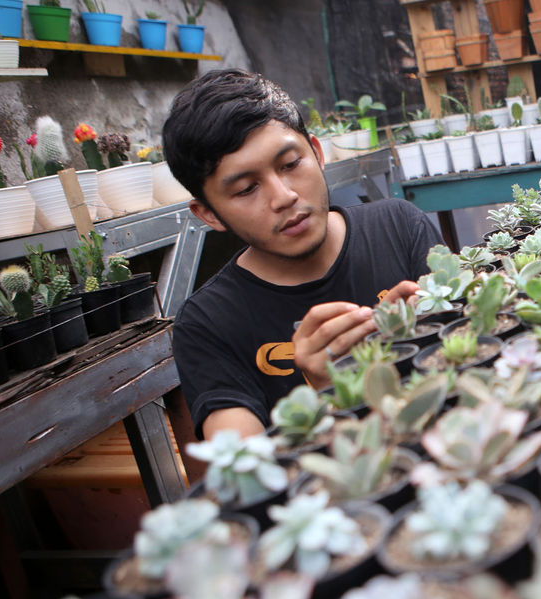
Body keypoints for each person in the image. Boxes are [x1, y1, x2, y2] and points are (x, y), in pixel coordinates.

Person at [163, 69, 442, 440]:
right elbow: (243, 476)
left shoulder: (399, 226)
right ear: (208, 213)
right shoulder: (207, 325)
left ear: (317, 151)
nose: (283, 197)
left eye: (291, 164)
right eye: (246, 189)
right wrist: (328, 390)